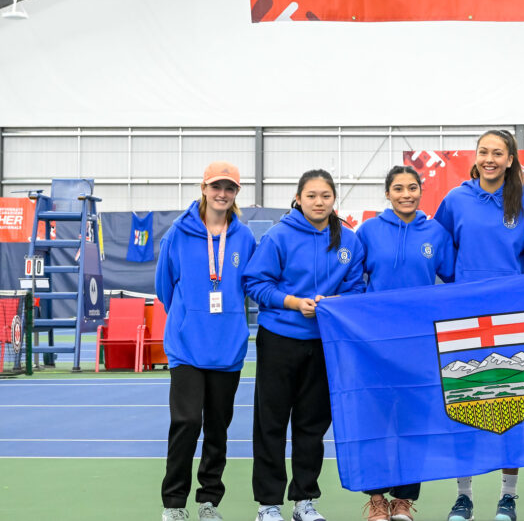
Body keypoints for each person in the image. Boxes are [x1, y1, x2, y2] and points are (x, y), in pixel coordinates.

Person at [243, 169, 367, 521]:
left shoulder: (350, 240)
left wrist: (335, 303)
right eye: (311, 195)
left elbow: (357, 288)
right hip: (280, 340)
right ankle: (268, 505)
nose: (318, 201)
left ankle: (304, 501)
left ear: (334, 200)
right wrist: (294, 302)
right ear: (298, 198)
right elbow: (255, 283)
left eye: (325, 195)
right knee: (271, 422)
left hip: (325, 345)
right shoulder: (278, 236)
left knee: (312, 425)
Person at [435, 129, 524, 521]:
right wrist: (465, 288)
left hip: (513, 322)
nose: (490, 158)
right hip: (463, 319)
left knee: (512, 407)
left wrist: (514, 292)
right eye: (484, 152)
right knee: (464, 405)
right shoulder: (455, 199)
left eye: (498, 153)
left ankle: (507, 497)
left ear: (511, 159)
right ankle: (464, 496)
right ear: (475, 156)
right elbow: (442, 253)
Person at [156, 161, 258, 521]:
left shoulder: (244, 238)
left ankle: (208, 500)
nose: (222, 194)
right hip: (186, 348)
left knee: (218, 429)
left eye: (230, 188)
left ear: (236, 194)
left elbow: (250, 286)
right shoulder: (178, 234)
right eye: (217, 186)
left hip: (227, 350)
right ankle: (174, 504)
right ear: (203, 188)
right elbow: (164, 287)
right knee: (186, 423)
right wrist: (188, 318)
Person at [356, 165, 455, 521]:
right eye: (398, 188)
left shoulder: (436, 233)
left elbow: (456, 279)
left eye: (412, 188)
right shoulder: (367, 231)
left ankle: (403, 500)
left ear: (421, 191)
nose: (406, 194)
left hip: (419, 342)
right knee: (377, 421)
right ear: (387, 193)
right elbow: (352, 281)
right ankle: (378, 499)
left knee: (413, 421)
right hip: (376, 343)